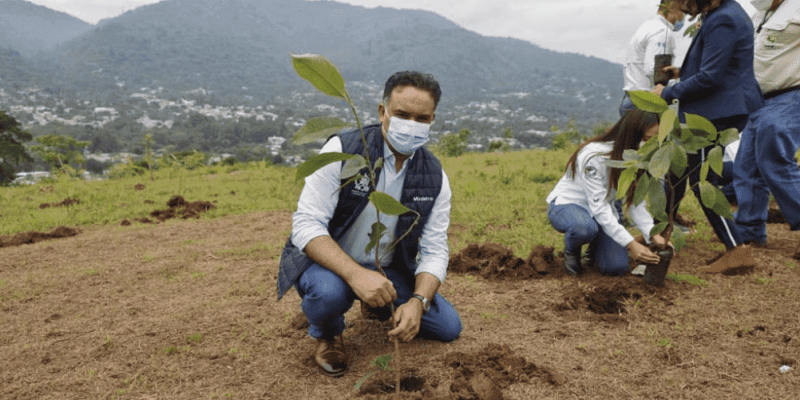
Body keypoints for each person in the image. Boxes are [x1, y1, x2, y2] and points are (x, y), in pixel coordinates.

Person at [276, 71, 462, 377]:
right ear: (382, 111)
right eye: (402, 115)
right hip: (329, 262)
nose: (411, 125)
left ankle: (377, 302)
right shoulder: (343, 151)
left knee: (447, 327)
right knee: (328, 294)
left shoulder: (433, 176)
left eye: (421, 118)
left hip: (385, 267)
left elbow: (435, 248)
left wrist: (418, 301)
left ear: (432, 120)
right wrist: (356, 275)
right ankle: (327, 335)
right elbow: (307, 225)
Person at [653, 0, 764, 274]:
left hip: (717, 111)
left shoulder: (723, 19)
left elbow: (711, 78)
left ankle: (737, 248)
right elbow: (723, 64)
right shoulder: (725, 13)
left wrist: (667, 93)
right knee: (683, 171)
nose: (684, 9)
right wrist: (683, 73)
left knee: (702, 181)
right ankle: (659, 233)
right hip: (719, 107)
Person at [546, 109, 668, 276]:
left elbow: (635, 201)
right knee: (583, 228)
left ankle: (594, 251)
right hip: (571, 205)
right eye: (646, 139)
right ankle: (572, 252)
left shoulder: (637, 159)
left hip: (604, 210)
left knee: (616, 267)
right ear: (630, 135)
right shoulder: (594, 156)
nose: (649, 146)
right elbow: (599, 206)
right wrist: (631, 244)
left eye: (655, 140)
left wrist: (652, 234)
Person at [733, 0, 800, 255]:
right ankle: (749, 231)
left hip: (790, 94)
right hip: (758, 100)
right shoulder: (759, 15)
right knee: (747, 167)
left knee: (774, 160)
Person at [620, 0, 686, 116]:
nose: (684, 17)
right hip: (646, 102)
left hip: (632, 99)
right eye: (683, 11)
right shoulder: (662, 32)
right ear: (671, 8)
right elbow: (655, 70)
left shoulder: (648, 26)